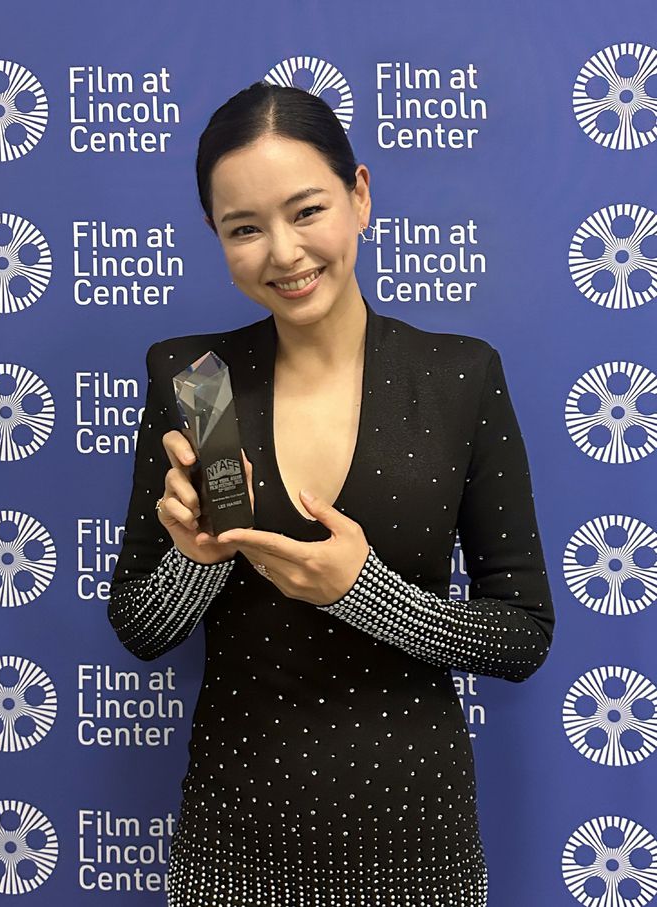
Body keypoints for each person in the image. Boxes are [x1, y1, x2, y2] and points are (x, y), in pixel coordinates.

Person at [107, 80, 555, 907]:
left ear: (360, 196)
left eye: (306, 210)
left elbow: (523, 636)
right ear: (216, 236)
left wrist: (365, 594)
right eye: (245, 228)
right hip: (232, 852)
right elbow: (140, 628)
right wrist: (199, 559)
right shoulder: (199, 381)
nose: (283, 253)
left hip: (418, 852)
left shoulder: (459, 376)